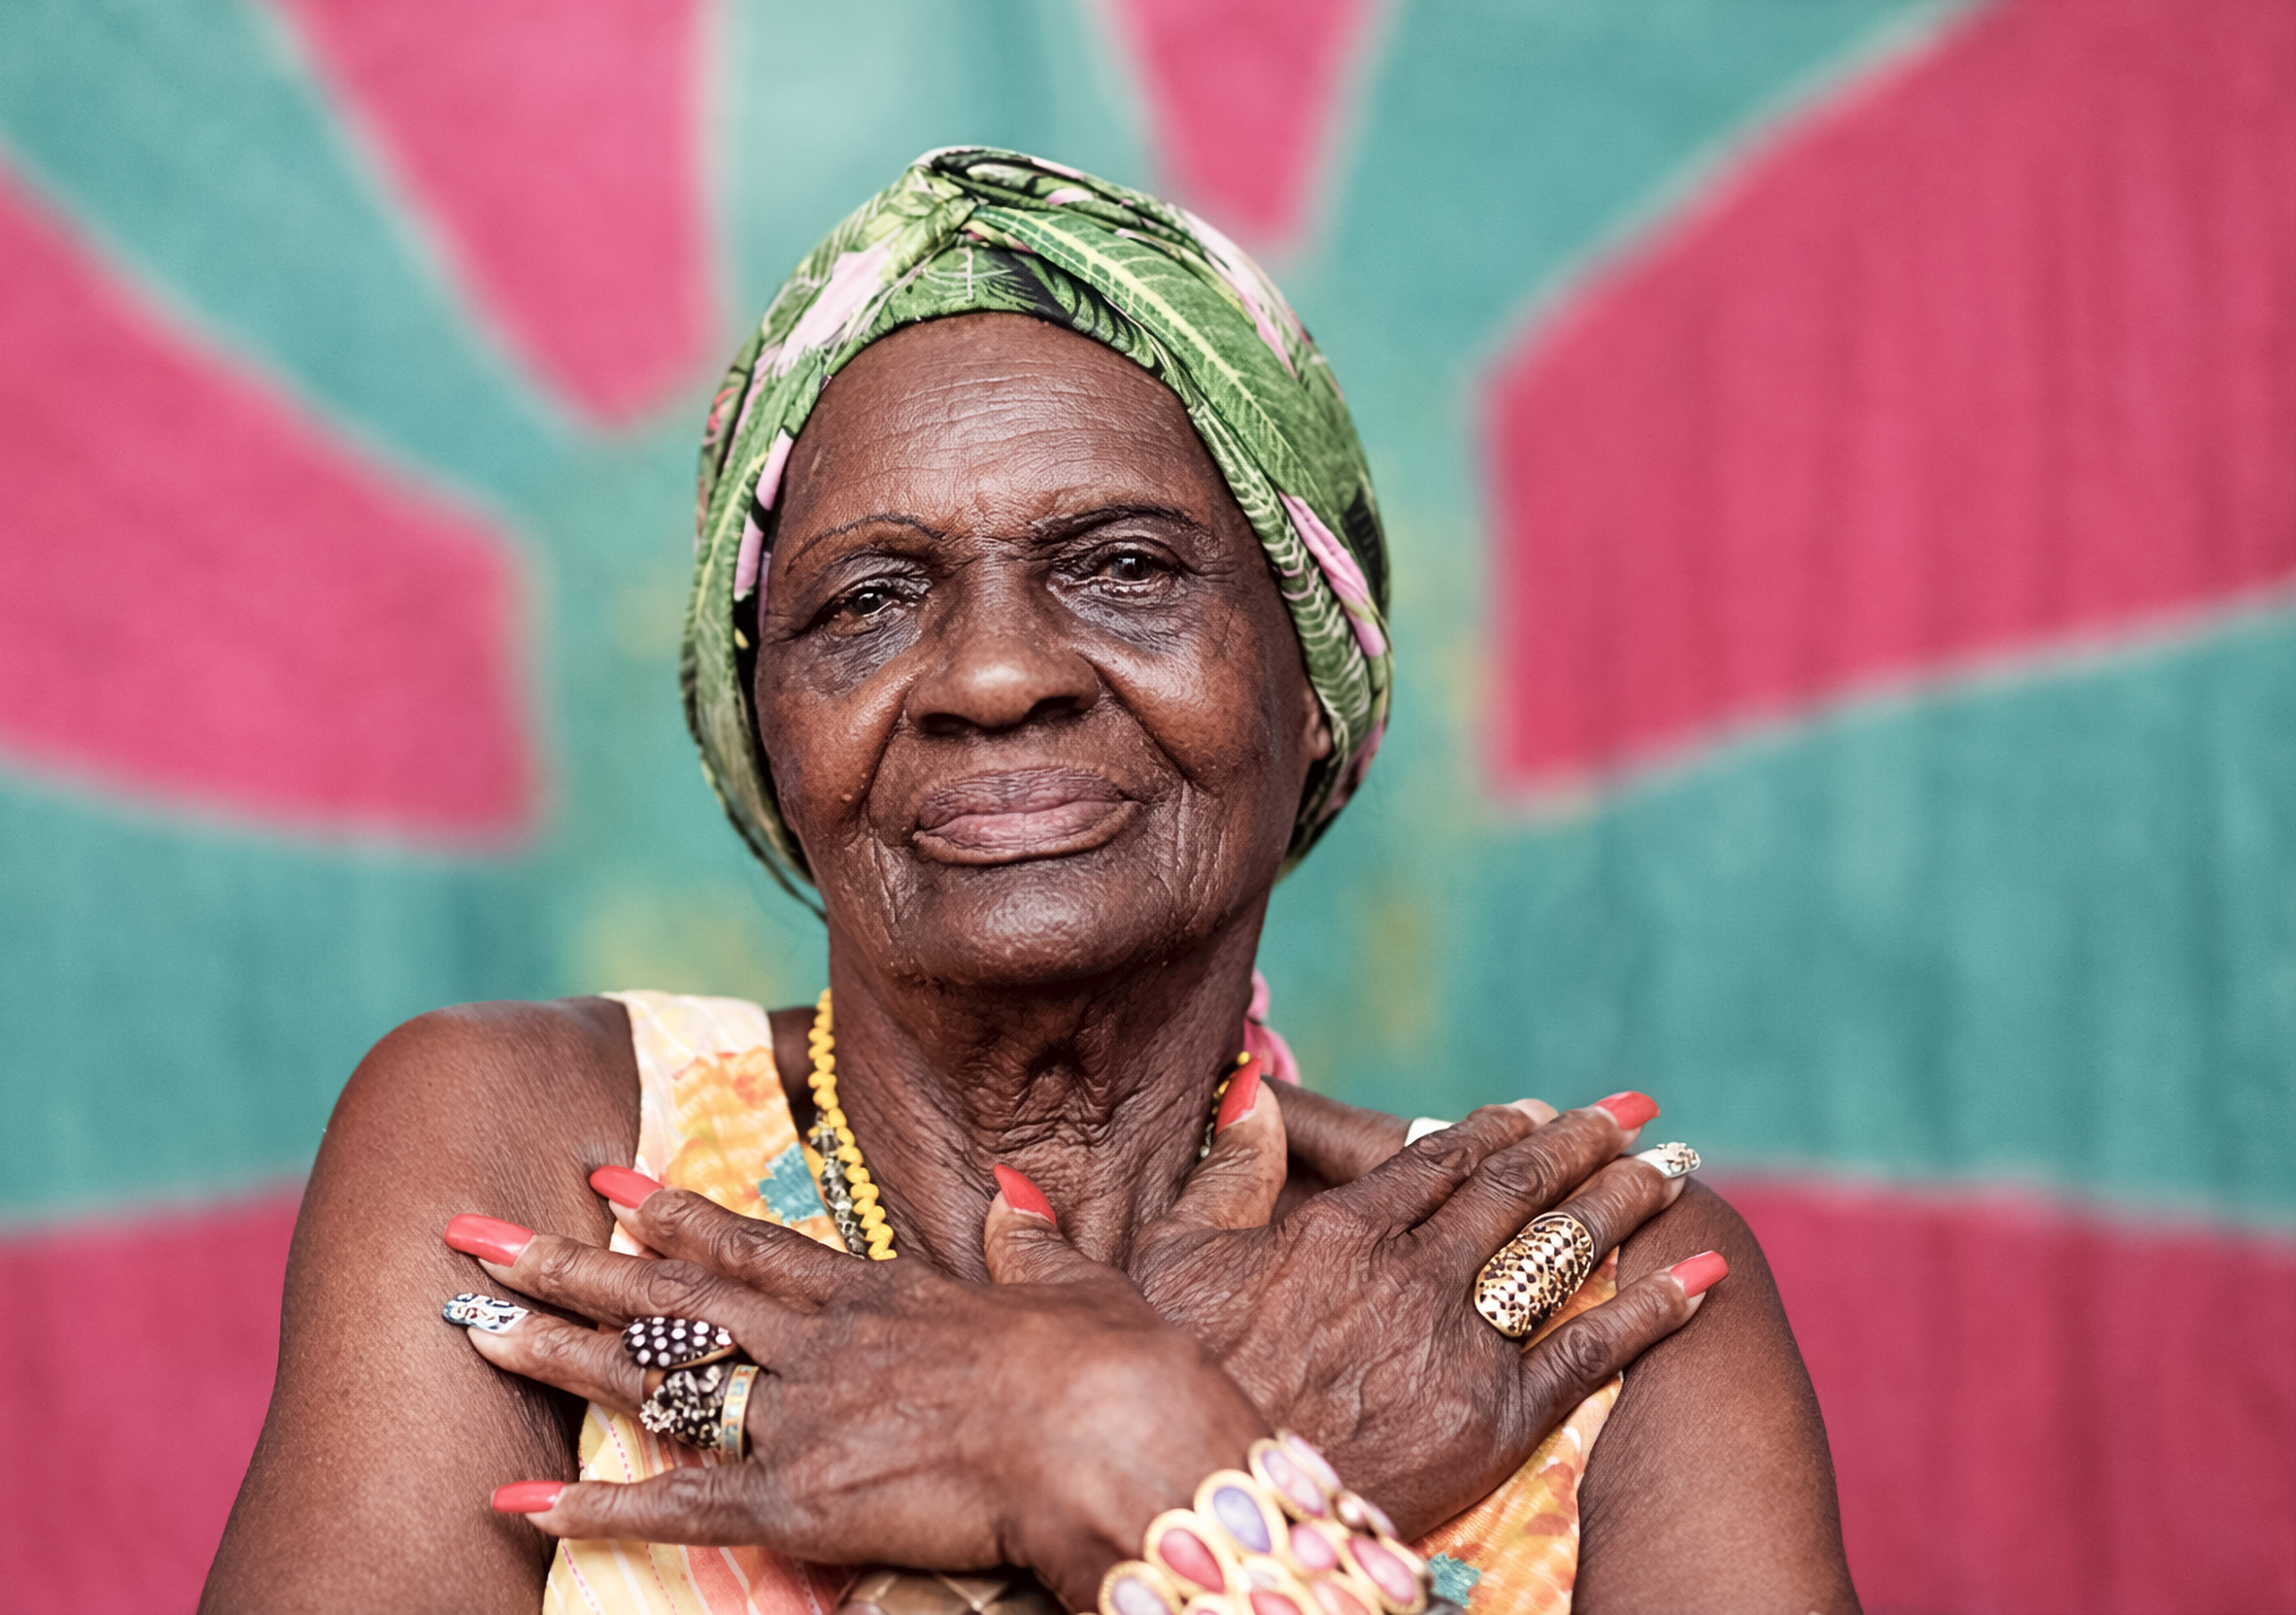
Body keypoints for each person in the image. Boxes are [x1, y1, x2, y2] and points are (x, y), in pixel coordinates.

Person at [203, 150, 1852, 1615]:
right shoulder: (538, 1150)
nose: (993, 676)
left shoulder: (1575, 1298)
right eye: (868, 600)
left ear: (1309, 681)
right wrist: (1124, 1443)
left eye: (1123, 568)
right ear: (767, 727)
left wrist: (1129, 1455)